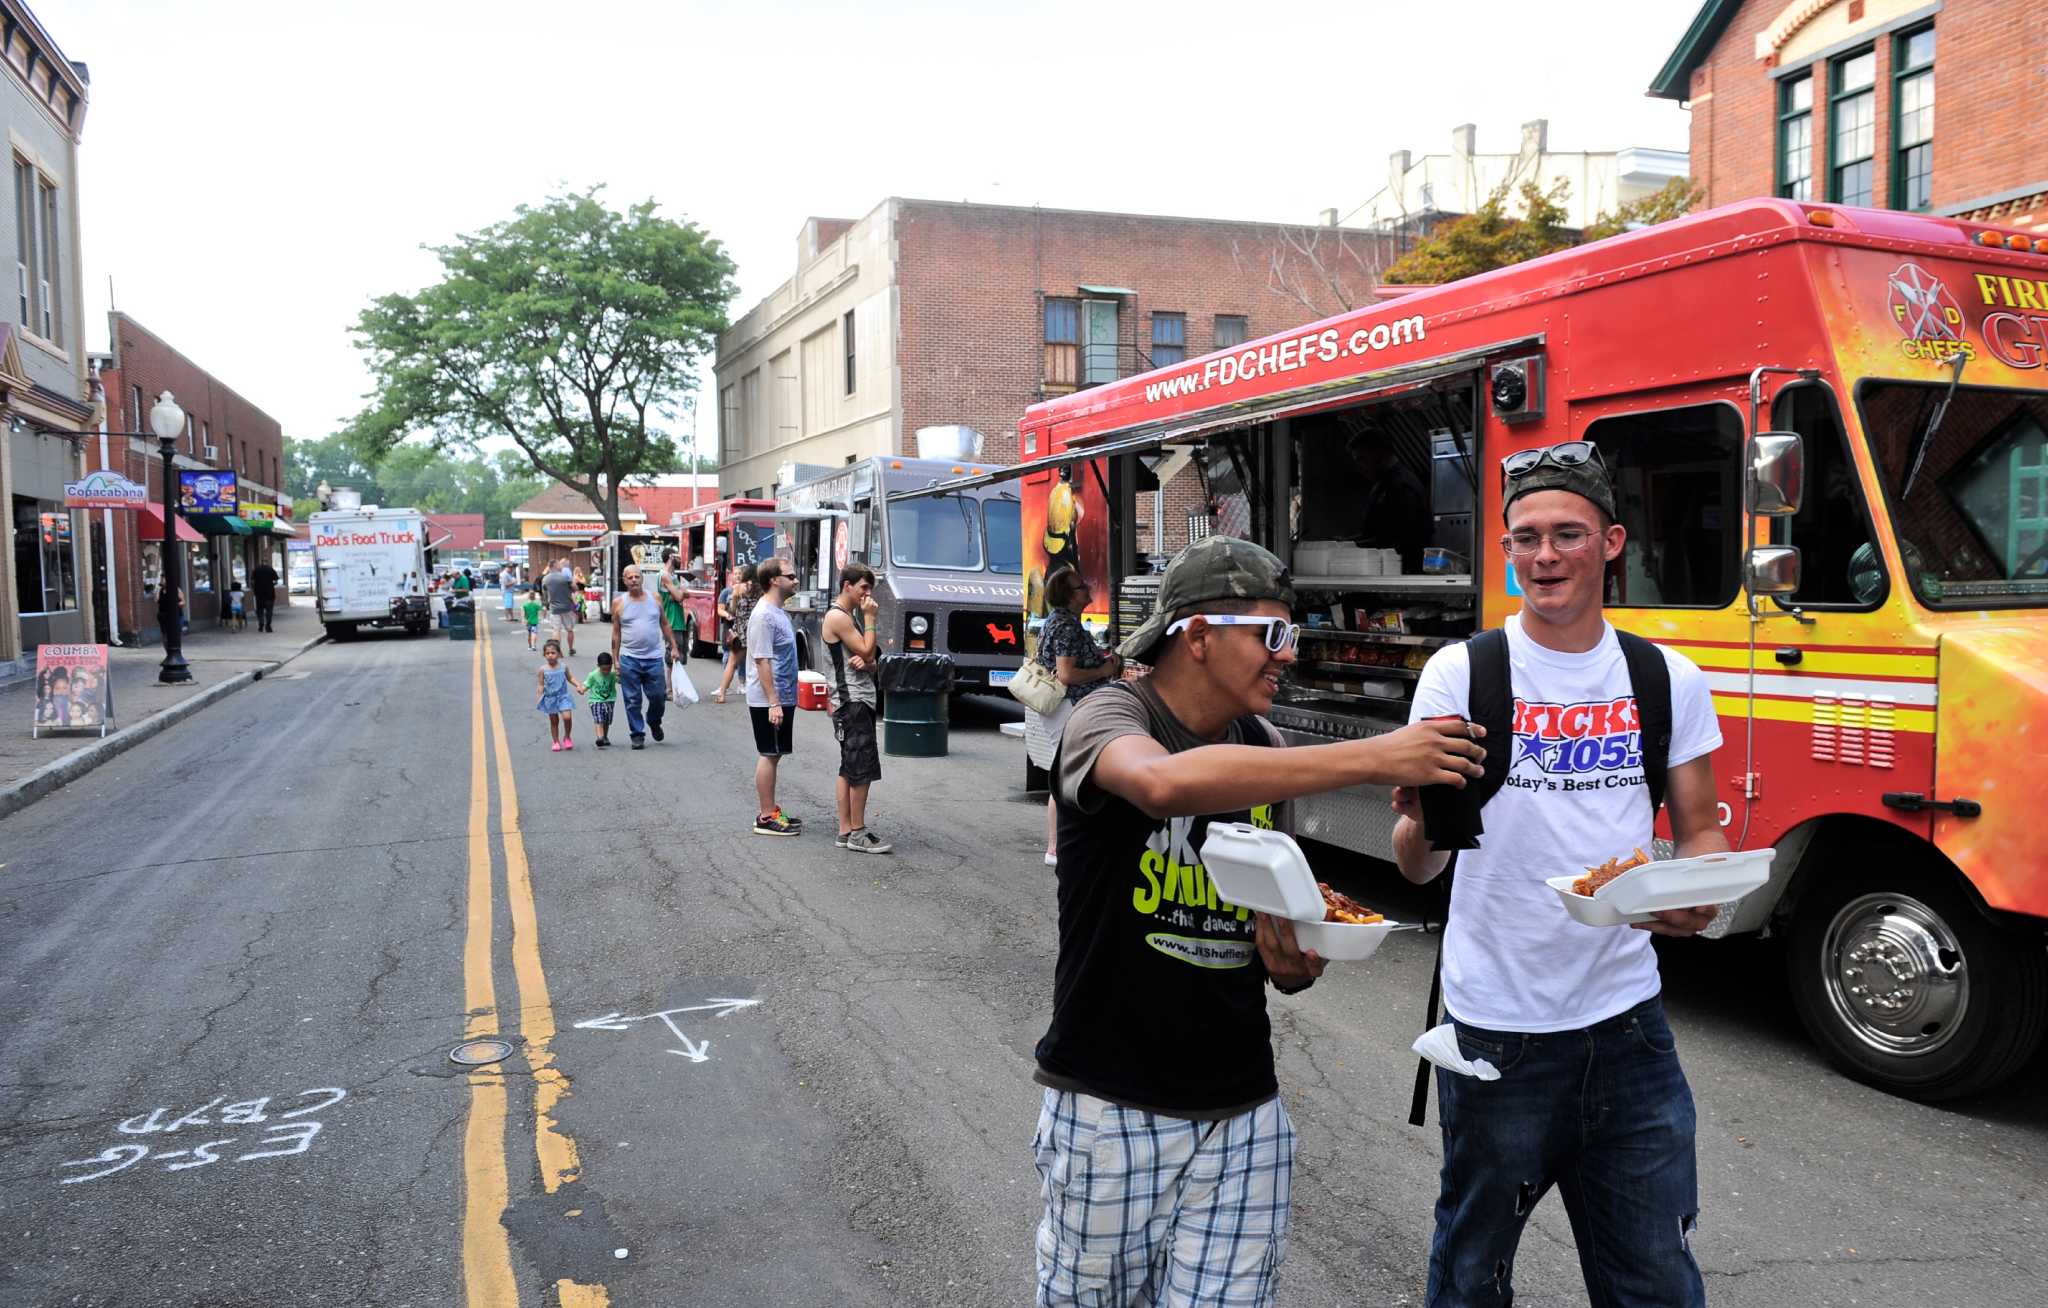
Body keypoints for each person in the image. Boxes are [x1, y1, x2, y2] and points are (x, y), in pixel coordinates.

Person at [1031, 536, 1487, 1308]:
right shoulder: (1110, 715)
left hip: (1242, 1109)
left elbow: (1266, 923)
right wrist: (1377, 757)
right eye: (1271, 635)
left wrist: (1293, 957)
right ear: (1199, 636)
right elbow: (1165, 784)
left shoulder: (1260, 744)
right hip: (1110, 1104)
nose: (1287, 655)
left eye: (1293, 635)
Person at [1391, 442, 1727, 1308]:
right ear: (1505, 551)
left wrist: (1695, 899)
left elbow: (1700, 834)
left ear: (1610, 542)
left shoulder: (1667, 678)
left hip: (1629, 1032)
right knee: (1471, 1277)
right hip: (1496, 1029)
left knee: (1654, 1280)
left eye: (1567, 535)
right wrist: (1422, 818)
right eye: (1526, 538)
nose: (1545, 556)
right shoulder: (1461, 674)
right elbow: (1418, 860)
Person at [1024, 568, 1122, 866]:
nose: (1088, 590)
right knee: (1066, 774)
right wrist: (1104, 670)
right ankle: (1056, 848)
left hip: (1065, 707)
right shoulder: (1066, 625)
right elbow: (1066, 674)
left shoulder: (1060, 622)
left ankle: (1059, 846)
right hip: (1068, 707)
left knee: (1065, 772)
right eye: (1081, 586)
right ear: (1069, 595)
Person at [821, 562, 890, 854]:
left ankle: (846, 829)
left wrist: (869, 658)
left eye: (870, 588)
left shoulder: (849, 617)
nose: (868, 594)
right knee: (861, 767)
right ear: (847, 585)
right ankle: (857, 833)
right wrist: (871, 618)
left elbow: (870, 658)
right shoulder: (840, 617)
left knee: (849, 767)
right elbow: (866, 649)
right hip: (853, 701)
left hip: (852, 700)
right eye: (863, 587)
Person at [745, 557, 801, 835]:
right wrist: (774, 702)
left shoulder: (779, 611)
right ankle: (766, 817)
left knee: (775, 753)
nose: (796, 580)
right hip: (769, 698)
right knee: (768, 753)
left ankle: (771, 809)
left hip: (782, 695)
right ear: (774, 580)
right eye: (790, 576)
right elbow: (762, 660)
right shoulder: (764, 615)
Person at [611, 564, 681, 750]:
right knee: (632, 700)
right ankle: (637, 734)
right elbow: (616, 633)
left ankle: (653, 720)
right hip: (629, 659)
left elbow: (665, 624)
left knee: (658, 696)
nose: (634, 580)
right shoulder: (619, 603)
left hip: (653, 658)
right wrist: (615, 659)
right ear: (624, 580)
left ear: (642, 578)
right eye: (630, 577)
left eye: (637, 576)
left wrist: (673, 646)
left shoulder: (655, 598)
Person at [719, 563, 758, 704]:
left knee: (732, 663)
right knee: (759, 662)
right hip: (755, 629)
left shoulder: (737, 589)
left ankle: (722, 693)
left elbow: (733, 611)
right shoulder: (760, 590)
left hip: (740, 630)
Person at [536, 640, 581, 752]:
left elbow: (570, 678)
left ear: (559, 654)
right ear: (544, 655)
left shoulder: (563, 667)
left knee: (567, 717)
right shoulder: (543, 669)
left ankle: (567, 736)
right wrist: (539, 696)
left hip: (563, 697)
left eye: (553, 653)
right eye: (547, 653)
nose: (550, 655)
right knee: (554, 721)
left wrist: (578, 685)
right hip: (550, 698)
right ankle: (556, 741)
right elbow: (541, 684)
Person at [659, 552, 692, 692]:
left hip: (678, 620)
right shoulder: (665, 575)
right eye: (677, 556)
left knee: (678, 656)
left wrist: (680, 593)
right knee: (672, 656)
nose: (680, 558)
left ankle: (674, 688)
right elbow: (679, 596)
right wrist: (680, 593)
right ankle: (669, 690)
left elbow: (686, 593)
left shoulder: (673, 576)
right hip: (670, 620)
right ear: (670, 557)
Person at [543, 560, 578, 656]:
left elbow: (545, 592)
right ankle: (571, 649)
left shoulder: (545, 579)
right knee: (569, 629)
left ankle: (557, 651)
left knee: (556, 630)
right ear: (555, 565)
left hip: (554, 608)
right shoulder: (565, 577)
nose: (561, 566)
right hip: (567, 607)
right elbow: (575, 588)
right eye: (559, 564)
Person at [713, 567, 738, 703]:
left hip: (742, 629)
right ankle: (724, 687)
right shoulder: (726, 592)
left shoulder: (748, 591)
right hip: (730, 629)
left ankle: (742, 684)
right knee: (728, 656)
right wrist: (728, 615)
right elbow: (720, 610)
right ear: (732, 576)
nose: (739, 576)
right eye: (736, 574)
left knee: (744, 660)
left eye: (741, 574)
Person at [585, 651, 619, 747]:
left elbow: (619, 680)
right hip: (596, 700)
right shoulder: (593, 675)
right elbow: (587, 684)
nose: (606, 671)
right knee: (599, 719)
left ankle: (605, 737)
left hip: (609, 700)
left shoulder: (612, 674)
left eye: (608, 669)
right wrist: (582, 689)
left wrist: (620, 675)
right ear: (598, 666)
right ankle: (600, 738)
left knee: (606, 721)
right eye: (603, 669)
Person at [249, 558, 279, 633]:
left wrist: (255, 588)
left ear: (261, 562)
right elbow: (276, 581)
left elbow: (252, 581)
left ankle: (261, 624)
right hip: (269, 594)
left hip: (259, 594)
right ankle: (268, 626)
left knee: (260, 610)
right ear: (267, 562)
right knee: (269, 611)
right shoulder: (271, 569)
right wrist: (272, 584)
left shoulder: (256, 570)